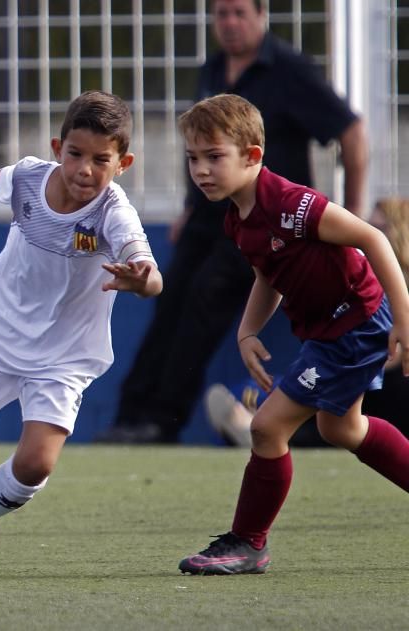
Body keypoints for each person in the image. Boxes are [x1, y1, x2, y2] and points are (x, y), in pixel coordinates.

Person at [0, 91, 163, 570]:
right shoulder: (26, 175)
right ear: (56, 147)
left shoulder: (112, 212)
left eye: (101, 160)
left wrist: (142, 278)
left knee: (36, 464)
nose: (85, 169)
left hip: (64, 355)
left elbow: (150, 272)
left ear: (123, 162)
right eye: (75, 154)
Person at [97, 0, 369, 444]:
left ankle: (160, 422)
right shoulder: (214, 68)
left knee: (202, 304)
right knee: (168, 298)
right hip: (210, 216)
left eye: (239, 13)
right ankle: (132, 413)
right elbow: (204, 144)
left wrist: (351, 214)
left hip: (265, 218)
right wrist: (189, 208)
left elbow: (352, 132)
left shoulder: (289, 70)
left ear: (262, 16)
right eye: (221, 14)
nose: (229, 23)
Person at [176, 94, 409, 575]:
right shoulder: (237, 218)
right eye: (193, 158)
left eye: (214, 156)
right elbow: (268, 273)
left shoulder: (294, 204)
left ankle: (248, 543)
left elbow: (374, 238)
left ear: (253, 156)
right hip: (330, 331)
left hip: (354, 326)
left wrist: (405, 318)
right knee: (341, 429)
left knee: (266, 426)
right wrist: (247, 331)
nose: (201, 170)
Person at [206, 198, 409, 447]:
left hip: (389, 388)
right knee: (311, 404)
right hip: (357, 375)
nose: (364, 230)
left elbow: (390, 351)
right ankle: (256, 418)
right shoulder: (358, 271)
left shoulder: (392, 287)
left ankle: (255, 424)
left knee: (321, 407)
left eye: (381, 226)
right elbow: (268, 278)